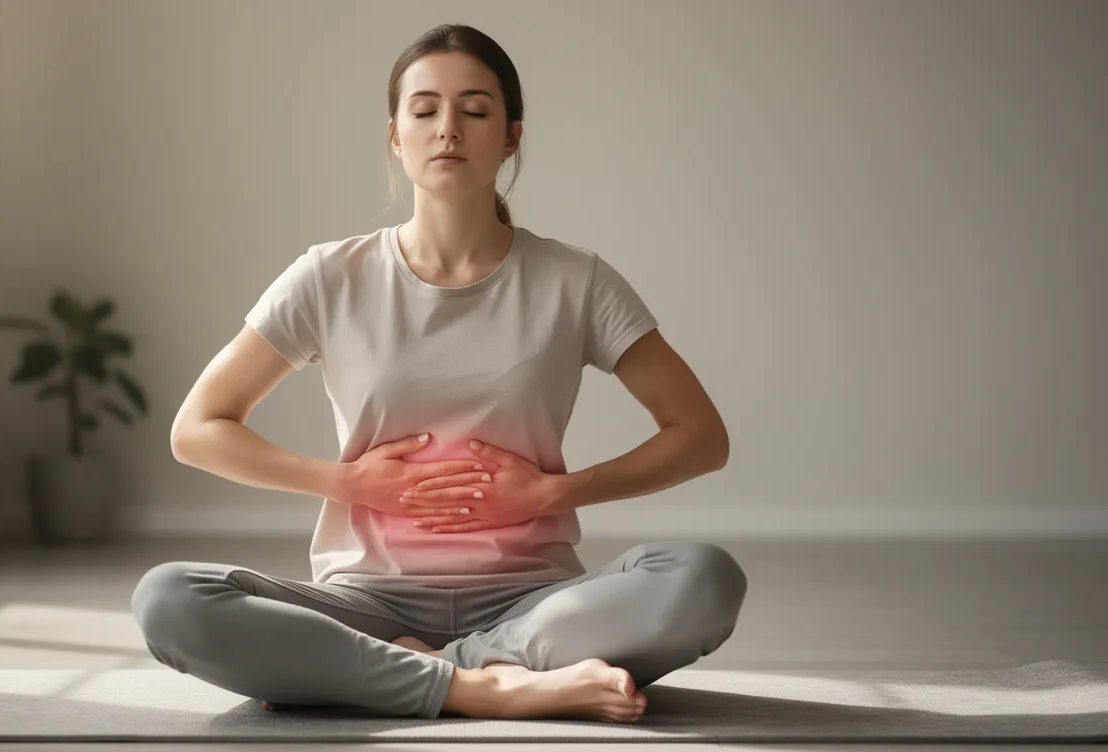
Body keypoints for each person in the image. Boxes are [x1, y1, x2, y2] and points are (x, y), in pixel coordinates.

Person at [131, 23, 745, 724]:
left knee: (702, 578)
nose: (447, 128)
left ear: (511, 137)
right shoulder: (330, 276)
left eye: (474, 110)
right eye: (424, 110)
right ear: (396, 136)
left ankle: (395, 672)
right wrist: (345, 481)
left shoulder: (576, 280)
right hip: (366, 600)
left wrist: (553, 492)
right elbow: (197, 429)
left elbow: (700, 436)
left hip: (533, 601)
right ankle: (492, 685)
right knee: (169, 599)